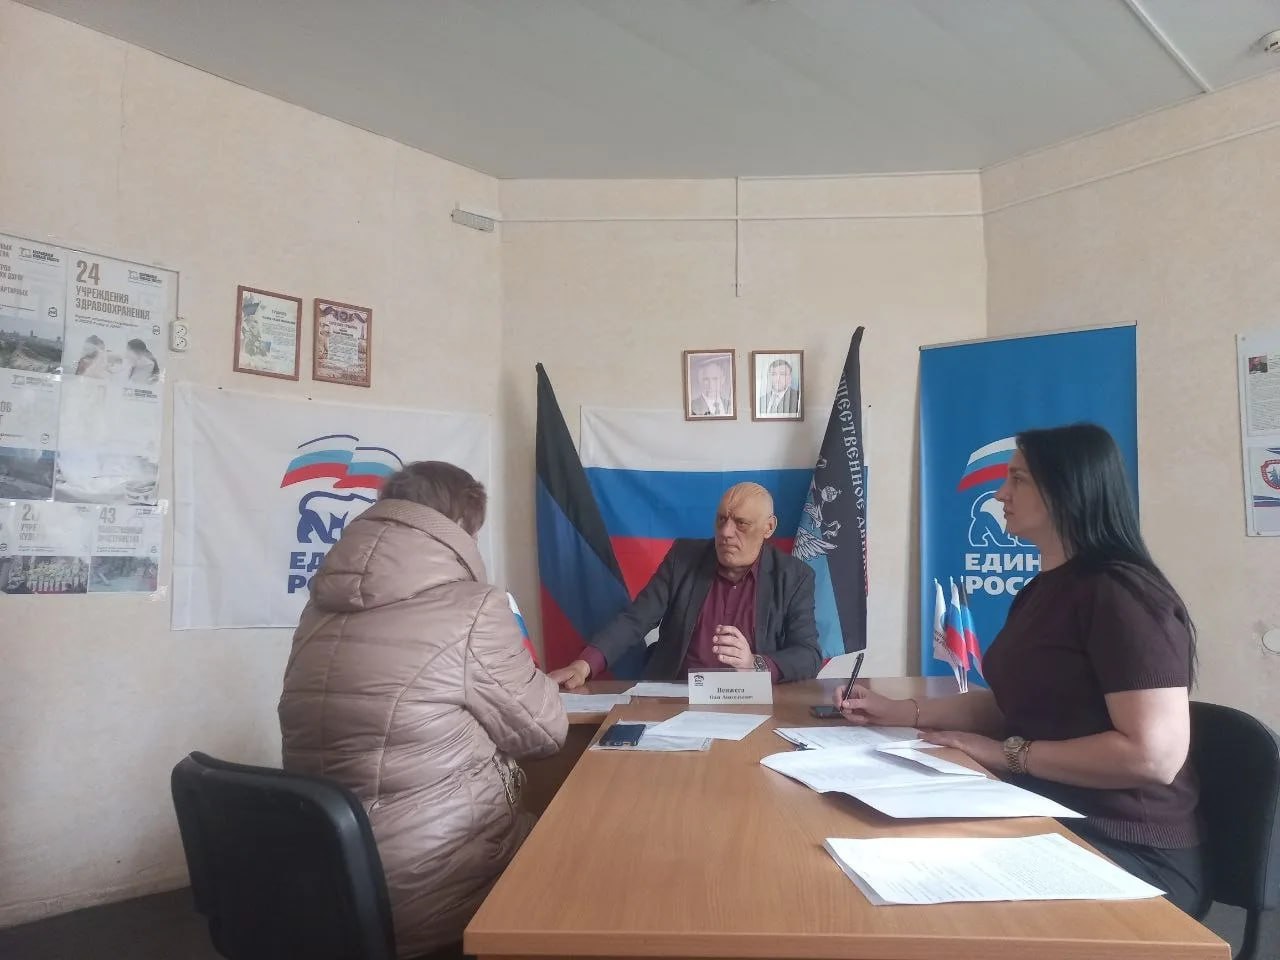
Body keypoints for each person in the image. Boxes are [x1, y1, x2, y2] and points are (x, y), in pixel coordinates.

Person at [834, 423, 1205, 915]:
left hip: (1126, 848)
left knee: (912, 897)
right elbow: (1013, 704)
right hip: (1042, 813)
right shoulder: (1041, 590)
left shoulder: (1122, 596)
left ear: (1067, 488)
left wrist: (1007, 754)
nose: (1000, 494)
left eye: (1018, 479)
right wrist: (898, 711)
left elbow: (1152, 757)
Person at [278, 461, 567, 958]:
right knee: (579, 850)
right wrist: (533, 683)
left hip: (324, 882)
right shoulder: (475, 608)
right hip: (432, 884)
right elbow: (546, 733)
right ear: (460, 526)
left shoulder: (318, 609)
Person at [551, 482, 821, 687]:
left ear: (768, 527)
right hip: (677, 695)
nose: (726, 532)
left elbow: (808, 654)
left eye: (741, 523)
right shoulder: (683, 558)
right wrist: (584, 665)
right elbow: (636, 619)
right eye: (721, 519)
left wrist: (755, 664)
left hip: (752, 702)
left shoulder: (794, 577)